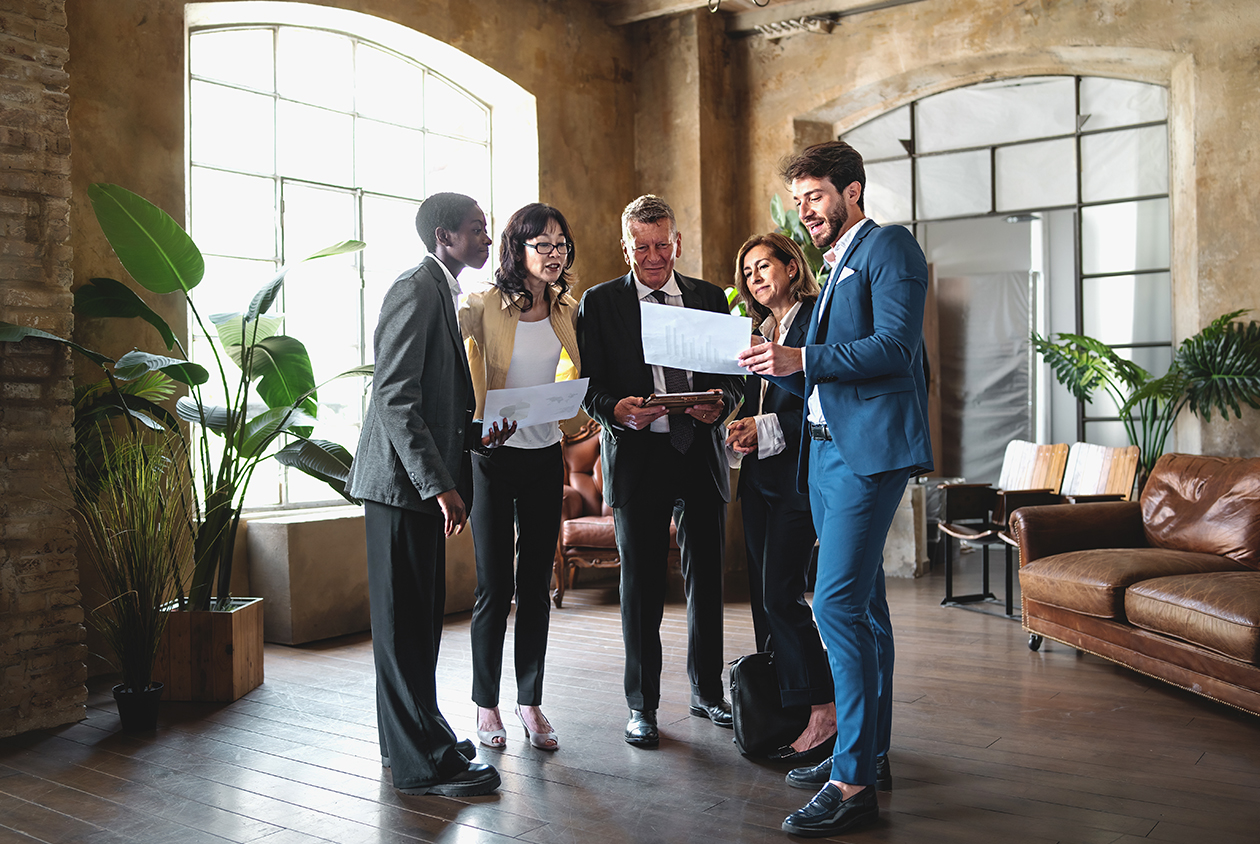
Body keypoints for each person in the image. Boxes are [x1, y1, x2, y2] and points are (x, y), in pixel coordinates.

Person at [738, 142, 932, 837]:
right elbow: (819, 378)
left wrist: (804, 355)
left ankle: (851, 785)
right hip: (820, 457)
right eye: (797, 202)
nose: (805, 211)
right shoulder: (832, 267)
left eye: (814, 196)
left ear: (851, 191)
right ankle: (868, 753)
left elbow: (895, 347)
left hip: (864, 456)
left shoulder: (890, 250)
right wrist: (776, 367)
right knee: (867, 612)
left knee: (837, 606)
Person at [346, 192, 511, 797]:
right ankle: (421, 766)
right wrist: (439, 483)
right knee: (404, 629)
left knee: (417, 626)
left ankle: (421, 737)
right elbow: (394, 396)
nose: (487, 240)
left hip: (417, 484)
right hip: (400, 487)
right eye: (477, 230)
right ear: (445, 237)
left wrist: (476, 432)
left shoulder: (442, 289)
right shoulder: (415, 287)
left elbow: (434, 399)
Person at [577, 194, 744, 748]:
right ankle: (641, 706)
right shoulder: (599, 304)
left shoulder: (709, 298)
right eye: (641, 247)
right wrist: (616, 410)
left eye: (662, 245)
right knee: (642, 585)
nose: (654, 257)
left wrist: (722, 405)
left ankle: (708, 692)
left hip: (699, 452)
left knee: (707, 581)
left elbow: (736, 376)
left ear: (677, 242)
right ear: (625, 247)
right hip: (638, 456)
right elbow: (590, 388)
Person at [459, 203, 581, 752]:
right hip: (492, 457)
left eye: (560, 244)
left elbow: (577, 374)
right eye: (542, 245)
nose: (554, 254)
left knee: (535, 586)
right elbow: (457, 365)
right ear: (518, 249)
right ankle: (486, 706)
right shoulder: (484, 303)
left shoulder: (568, 309)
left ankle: (529, 701)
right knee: (495, 586)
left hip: (544, 453)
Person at [725, 232, 836, 762]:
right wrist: (734, 424)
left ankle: (822, 710)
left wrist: (764, 424)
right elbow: (750, 403)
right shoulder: (760, 331)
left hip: (799, 478)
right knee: (764, 606)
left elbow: (823, 402)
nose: (755, 278)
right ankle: (785, 707)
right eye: (747, 273)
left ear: (792, 267)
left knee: (781, 597)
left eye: (764, 266)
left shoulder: (817, 319)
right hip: (759, 480)